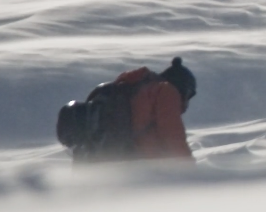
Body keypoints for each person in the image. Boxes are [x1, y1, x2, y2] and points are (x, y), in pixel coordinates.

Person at [65, 58, 198, 163]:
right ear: (184, 88)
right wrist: (190, 170)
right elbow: (172, 136)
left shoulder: (129, 89)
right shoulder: (165, 90)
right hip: (142, 166)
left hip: (105, 163)